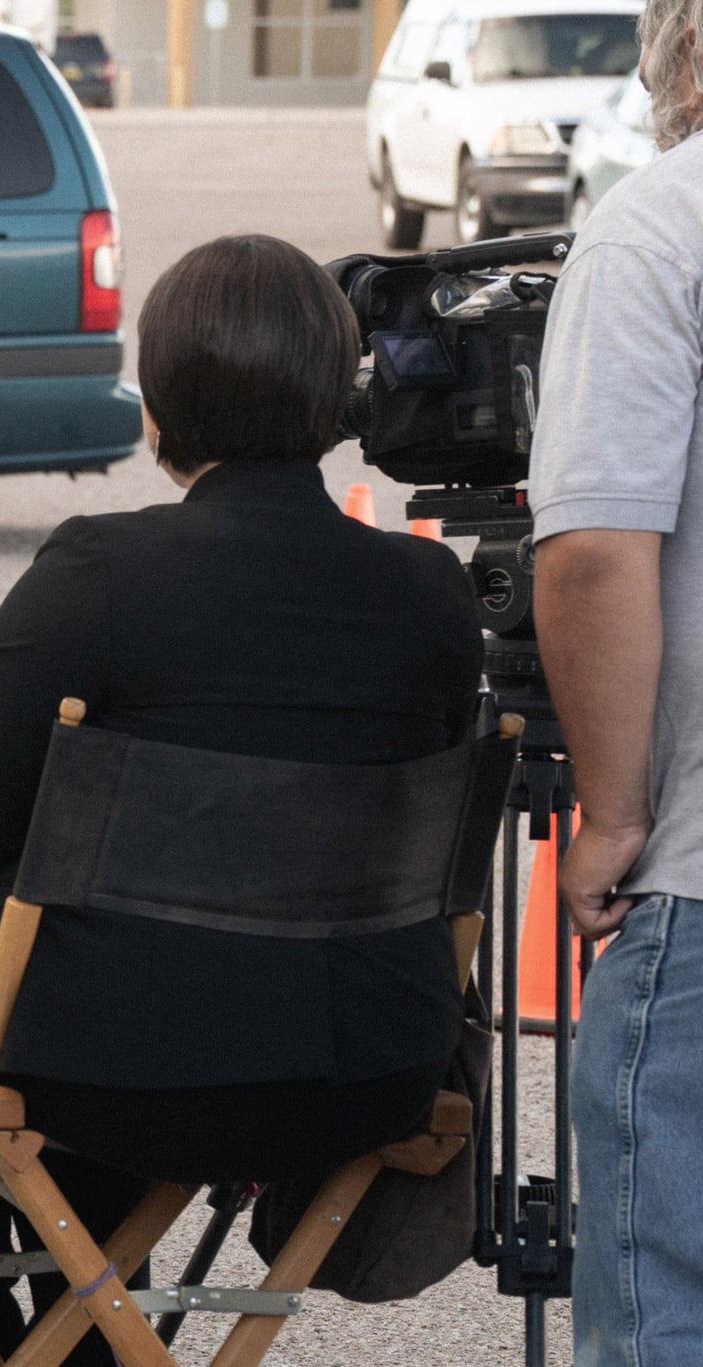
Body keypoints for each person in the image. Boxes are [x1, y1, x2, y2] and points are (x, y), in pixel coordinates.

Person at [0, 234, 485, 1365]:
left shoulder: (104, 567)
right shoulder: (429, 589)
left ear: (161, 402)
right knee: (111, 973)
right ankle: (85, 1343)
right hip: (368, 1069)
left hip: (132, 1073)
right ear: (340, 397)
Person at [530, 1, 703, 1358]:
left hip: (701, 881)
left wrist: (614, 816)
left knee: (663, 1303)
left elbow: (594, 554)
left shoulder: (663, 223)